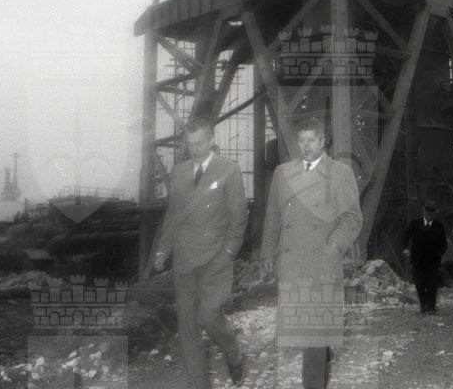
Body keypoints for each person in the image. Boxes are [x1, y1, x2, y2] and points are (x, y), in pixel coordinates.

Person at [261, 117, 362, 389]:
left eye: (311, 140)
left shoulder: (340, 173)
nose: (306, 146)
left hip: (321, 263)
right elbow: (273, 216)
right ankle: (323, 352)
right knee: (304, 332)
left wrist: (334, 245)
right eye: (301, 141)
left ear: (322, 141)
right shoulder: (283, 173)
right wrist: (268, 253)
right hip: (292, 263)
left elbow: (353, 218)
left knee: (313, 336)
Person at [153, 117, 248, 389]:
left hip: (214, 257)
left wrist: (228, 251)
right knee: (187, 329)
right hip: (184, 258)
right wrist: (162, 250)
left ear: (211, 139)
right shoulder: (179, 172)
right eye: (190, 144)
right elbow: (173, 216)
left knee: (208, 316)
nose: (195, 149)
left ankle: (232, 350)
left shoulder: (228, 170)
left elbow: (239, 217)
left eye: (200, 143)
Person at [402, 200, 448, 315]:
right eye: (427, 212)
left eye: (431, 212)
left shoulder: (439, 226)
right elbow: (405, 237)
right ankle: (423, 304)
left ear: (434, 213)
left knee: (432, 284)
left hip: (433, 261)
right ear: (423, 211)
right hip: (417, 260)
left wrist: (438, 255)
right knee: (419, 283)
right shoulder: (415, 223)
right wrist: (405, 249)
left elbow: (444, 244)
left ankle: (431, 307)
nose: (429, 215)